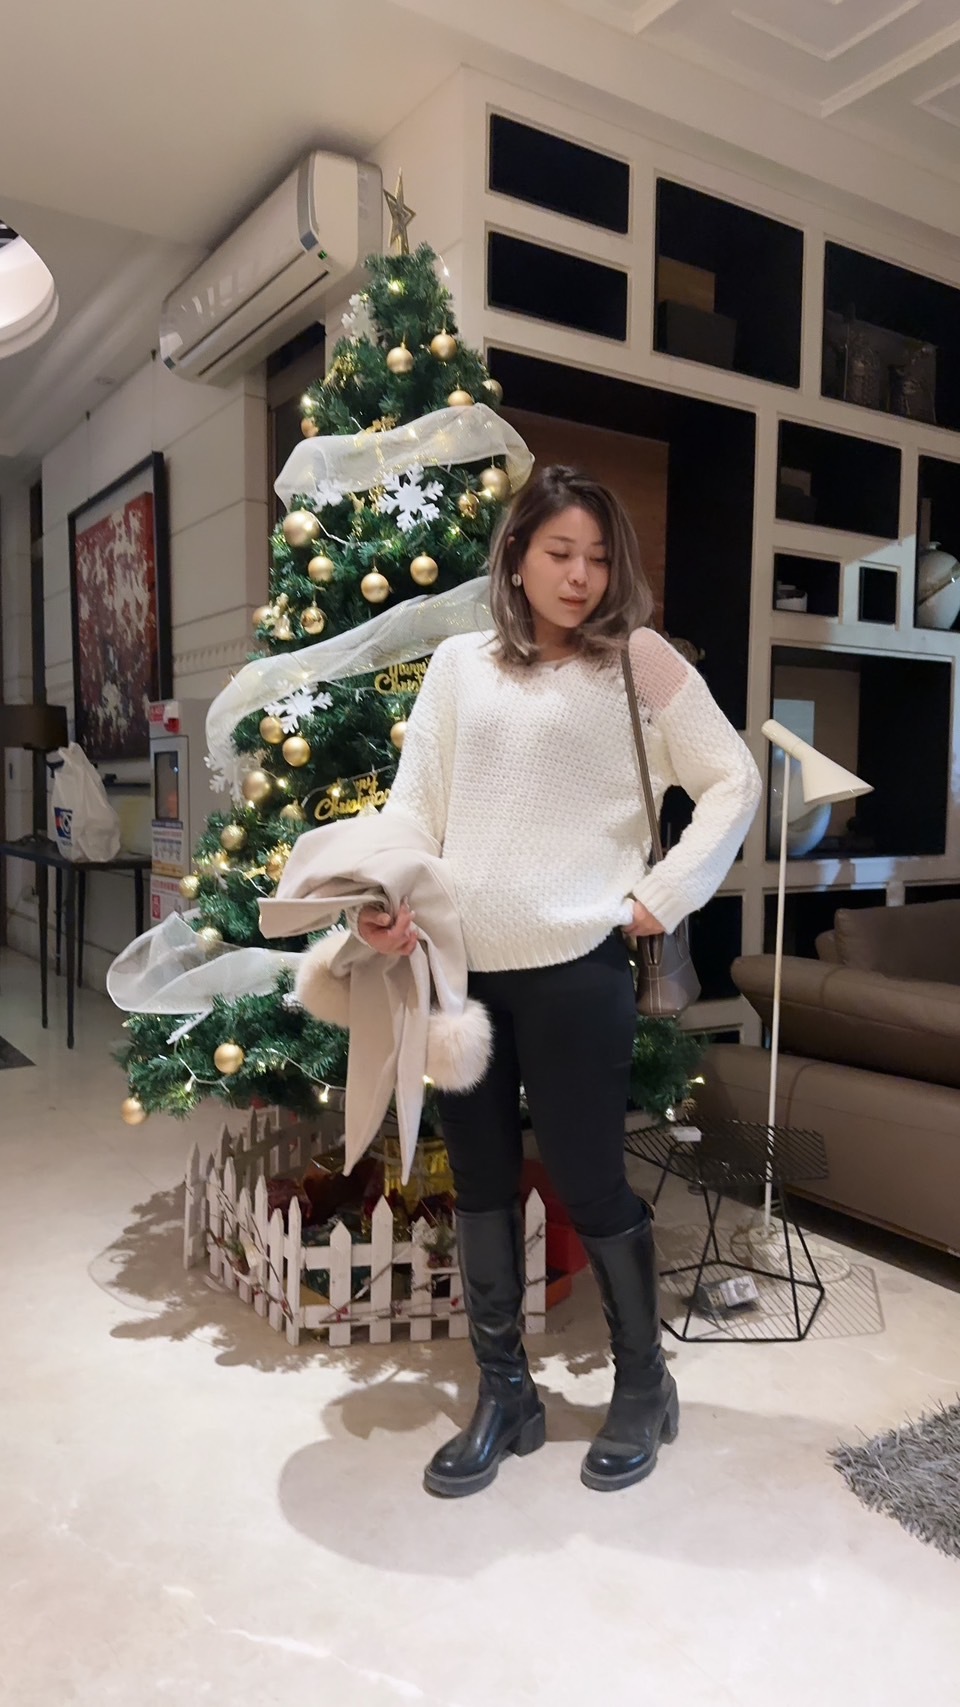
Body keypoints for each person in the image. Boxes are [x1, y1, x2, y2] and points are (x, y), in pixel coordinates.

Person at [356, 465, 761, 1498]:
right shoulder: (459, 666)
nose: (581, 576)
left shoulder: (640, 663)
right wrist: (385, 900)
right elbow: (413, 808)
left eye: (599, 558)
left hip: (578, 969)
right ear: (517, 555)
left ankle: (643, 1384)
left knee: (589, 1181)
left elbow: (733, 778)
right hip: (458, 973)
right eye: (560, 553)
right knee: (481, 1186)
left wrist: (664, 892)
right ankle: (507, 1394)